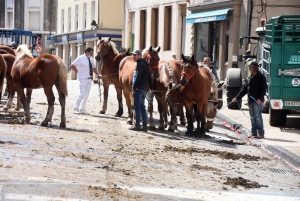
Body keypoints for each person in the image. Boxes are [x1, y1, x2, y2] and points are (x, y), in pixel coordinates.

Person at [232, 62, 267, 139]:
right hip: (250, 101)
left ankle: (261, 133)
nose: (249, 68)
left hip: (257, 101)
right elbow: (244, 90)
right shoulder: (250, 78)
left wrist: (260, 99)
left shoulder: (261, 77)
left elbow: (264, 89)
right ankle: (254, 133)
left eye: (250, 67)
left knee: (258, 117)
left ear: (254, 67)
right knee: (252, 117)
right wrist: (237, 97)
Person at [70, 47, 101, 115]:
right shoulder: (80, 58)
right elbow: (72, 66)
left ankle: (82, 108)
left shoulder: (91, 59)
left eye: (92, 53)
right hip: (82, 79)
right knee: (82, 94)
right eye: (91, 52)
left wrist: (99, 74)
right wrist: (78, 71)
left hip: (89, 79)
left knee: (86, 95)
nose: (91, 54)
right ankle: (76, 108)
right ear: (87, 51)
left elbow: (94, 68)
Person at [129, 49, 153, 132]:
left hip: (138, 89)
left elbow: (137, 77)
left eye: (135, 55)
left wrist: (134, 88)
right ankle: (145, 125)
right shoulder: (146, 64)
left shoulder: (139, 64)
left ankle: (137, 125)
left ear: (140, 55)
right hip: (143, 89)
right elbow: (149, 77)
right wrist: (151, 87)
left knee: (138, 107)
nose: (133, 57)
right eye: (133, 55)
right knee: (143, 107)